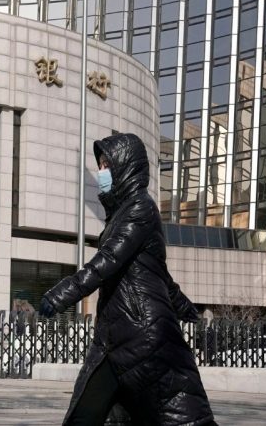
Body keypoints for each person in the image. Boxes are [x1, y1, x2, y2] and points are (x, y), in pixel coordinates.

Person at [40, 132, 216, 425]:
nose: (102, 173)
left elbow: (107, 261)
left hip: (140, 336)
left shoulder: (139, 208)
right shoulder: (123, 213)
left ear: (125, 166)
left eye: (107, 166)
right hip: (119, 335)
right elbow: (158, 273)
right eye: (101, 166)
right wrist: (186, 307)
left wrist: (61, 294)